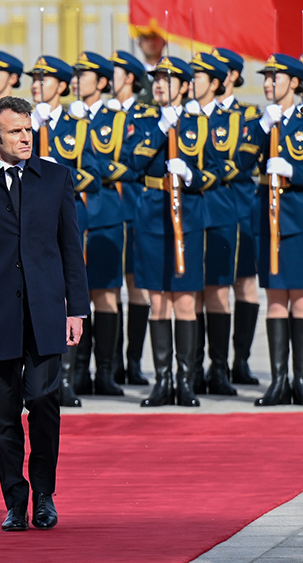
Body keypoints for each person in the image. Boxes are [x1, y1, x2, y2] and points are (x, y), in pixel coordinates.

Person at [0, 96, 89, 531]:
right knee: (2, 416)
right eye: (15, 131)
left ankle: (44, 494)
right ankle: (14, 500)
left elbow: (71, 248)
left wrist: (77, 309)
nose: (26, 137)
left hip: (46, 312)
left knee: (44, 402)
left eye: (29, 130)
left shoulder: (56, 178)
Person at [125, 56, 218, 408]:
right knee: (158, 300)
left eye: (168, 79)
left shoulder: (199, 123)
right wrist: (161, 129)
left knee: (185, 300)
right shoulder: (143, 119)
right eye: (157, 79)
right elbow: (133, 161)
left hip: (187, 213)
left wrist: (191, 175)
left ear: (184, 86)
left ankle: (185, 380)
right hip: (152, 213)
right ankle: (162, 380)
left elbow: (215, 169)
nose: (160, 85)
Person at [28, 55, 98, 407]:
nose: (36, 84)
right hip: (28, 224)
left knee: (65, 294)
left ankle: (66, 378)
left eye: (44, 79)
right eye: (34, 78)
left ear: (61, 86)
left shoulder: (78, 126)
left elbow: (95, 174)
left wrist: (60, 173)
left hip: (63, 218)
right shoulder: (22, 125)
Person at [242, 54, 303, 406]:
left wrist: (294, 171)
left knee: (301, 299)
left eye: (274, 77)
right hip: (268, 216)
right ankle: (279, 381)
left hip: (298, 215)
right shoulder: (259, 121)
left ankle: (301, 378)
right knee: (276, 299)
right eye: (265, 78)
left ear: (294, 82)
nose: (267, 83)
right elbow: (240, 162)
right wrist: (263, 127)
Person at [185, 53, 240, 397]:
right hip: (190, 213)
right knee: (191, 291)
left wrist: (199, 177)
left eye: (199, 76)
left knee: (218, 292)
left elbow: (232, 164)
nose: (192, 82)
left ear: (215, 82)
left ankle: (219, 368)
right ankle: (192, 369)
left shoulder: (230, 120)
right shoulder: (181, 118)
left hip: (219, 211)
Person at [71, 51, 125, 397]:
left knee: (105, 294)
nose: (76, 80)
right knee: (77, 294)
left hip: (105, 212)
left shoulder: (115, 119)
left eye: (84, 74)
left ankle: (105, 371)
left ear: (102, 82)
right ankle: (78, 371)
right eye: (74, 74)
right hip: (74, 215)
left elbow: (125, 164)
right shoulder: (63, 119)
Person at [211, 47, 262, 386]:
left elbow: (246, 159)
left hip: (241, 206)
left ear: (231, 76)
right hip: (210, 206)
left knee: (245, 284)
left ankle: (240, 360)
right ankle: (214, 365)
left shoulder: (249, 115)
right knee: (212, 286)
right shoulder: (198, 114)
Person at [107, 50, 152, 386]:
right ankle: (110, 364)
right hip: (109, 209)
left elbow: (138, 160)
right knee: (109, 285)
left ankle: (133, 361)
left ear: (130, 77)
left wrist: (112, 167)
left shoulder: (145, 116)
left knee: (136, 285)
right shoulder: (102, 116)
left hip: (136, 208)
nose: (110, 77)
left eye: (115, 71)